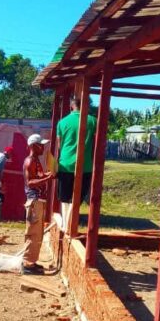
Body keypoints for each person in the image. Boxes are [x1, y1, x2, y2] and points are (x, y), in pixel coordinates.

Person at [56, 96, 97, 232]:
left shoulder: (62, 122)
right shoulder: (92, 121)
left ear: (71, 106)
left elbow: (59, 145)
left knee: (64, 197)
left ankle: (65, 226)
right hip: (84, 166)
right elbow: (96, 143)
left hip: (65, 165)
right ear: (85, 106)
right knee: (77, 198)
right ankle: (69, 226)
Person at [22, 133, 54, 274]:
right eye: (41, 145)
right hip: (34, 201)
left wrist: (48, 175)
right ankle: (27, 264)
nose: (43, 147)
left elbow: (38, 176)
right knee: (33, 233)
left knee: (37, 234)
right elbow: (30, 182)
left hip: (38, 201)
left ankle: (32, 262)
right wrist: (48, 179)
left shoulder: (36, 160)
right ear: (33, 146)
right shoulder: (30, 161)